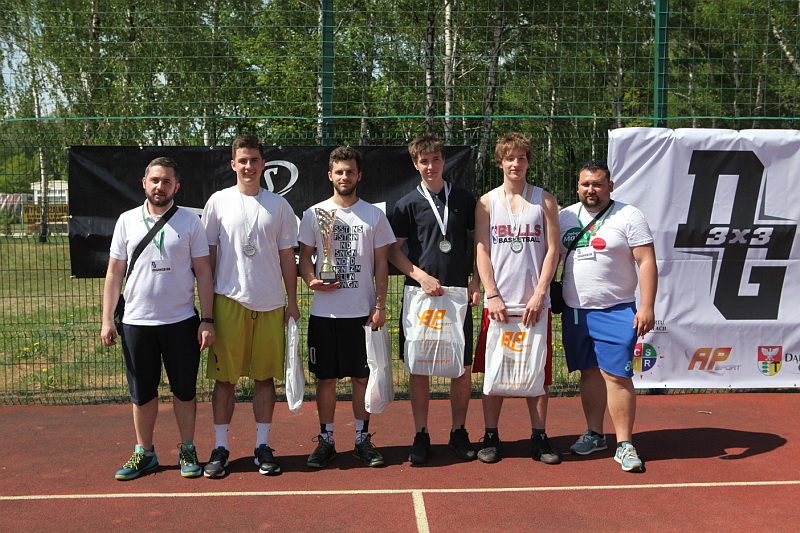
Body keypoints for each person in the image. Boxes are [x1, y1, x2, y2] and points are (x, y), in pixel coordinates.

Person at [101, 156, 215, 480]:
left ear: (176, 186)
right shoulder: (126, 220)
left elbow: (204, 272)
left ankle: (188, 449)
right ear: (144, 183)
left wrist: (208, 320)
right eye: (155, 180)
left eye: (167, 181)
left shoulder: (191, 222)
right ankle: (145, 452)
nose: (160, 186)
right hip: (136, 322)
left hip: (181, 321)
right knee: (142, 393)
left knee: (184, 391)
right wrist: (107, 320)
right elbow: (114, 272)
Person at [201, 134, 300, 478]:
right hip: (228, 301)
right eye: (242, 160)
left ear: (263, 164)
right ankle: (221, 447)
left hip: (270, 303)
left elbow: (287, 256)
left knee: (264, 379)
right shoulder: (218, 201)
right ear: (233, 164)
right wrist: (207, 309)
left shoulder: (279, 205)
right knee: (224, 381)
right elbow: (208, 257)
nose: (248, 166)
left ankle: (262, 445)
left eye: (254, 160)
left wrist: (292, 301)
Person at [298, 146, 396, 469]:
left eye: (350, 171)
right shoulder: (314, 214)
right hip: (324, 314)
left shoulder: (373, 215)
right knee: (325, 380)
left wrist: (379, 304)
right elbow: (304, 258)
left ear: (359, 175)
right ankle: (326, 439)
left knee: (361, 379)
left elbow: (382, 264)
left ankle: (361, 439)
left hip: (361, 313)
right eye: (339, 171)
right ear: (330, 175)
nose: (344, 176)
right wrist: (311, 280)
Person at [388, 135, 481, 464]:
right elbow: (394, 252)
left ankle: (458, 431)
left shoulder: (465, 199)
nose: (431, 166)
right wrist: (421, 276)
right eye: (424, 161)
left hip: (457, 296)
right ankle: (421, 434)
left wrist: (476, 281)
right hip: (421, 295)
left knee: (461, 367)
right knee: (419, 366)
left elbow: (480, 244)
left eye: (436, 160)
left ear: (444, 161)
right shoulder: (406, 204)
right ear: (416, 164)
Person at [559, 160, 657, 472]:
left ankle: (625, 443)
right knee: (588, 372)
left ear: (610, 186)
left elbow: (647, 261)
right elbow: (548, 259)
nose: (592, 190)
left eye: (598, 184)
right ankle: (595, 434)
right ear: (577, 187)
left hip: (616, 309)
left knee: (617, 376)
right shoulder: (564, 217)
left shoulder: (628, 215)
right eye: (586, 184)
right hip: (575, 311)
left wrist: (647, 306)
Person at [473, 132, 561, 464]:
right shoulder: (486, 202)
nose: (515, 164)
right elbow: (482, 249)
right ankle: (491, 435)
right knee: (494, 370)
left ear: (528, 162)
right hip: (498, 303)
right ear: (500, 162)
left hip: (533, 304)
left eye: (521, 158)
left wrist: (540, 293)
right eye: (509, 158)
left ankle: (539, 436)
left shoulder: (544, 199)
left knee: (537, 372)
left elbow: (553, 250)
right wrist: (491, 293)